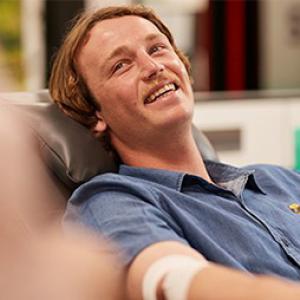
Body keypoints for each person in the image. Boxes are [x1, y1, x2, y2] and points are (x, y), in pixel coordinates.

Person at [49, 4, 300, 300]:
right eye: (121, 65)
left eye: (157, 49)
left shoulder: (279, 180)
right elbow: (169, 280)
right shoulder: (109, 201)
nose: (154, 67)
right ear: (95, 114)